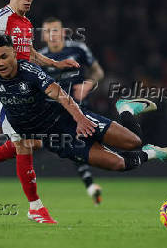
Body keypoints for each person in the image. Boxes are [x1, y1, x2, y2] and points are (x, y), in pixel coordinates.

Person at [0, 35, 167, 224]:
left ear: (15, 54)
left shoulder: (30, 72)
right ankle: (154, 153)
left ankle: (125, 109)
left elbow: (60, 94)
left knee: (133, 142)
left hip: (71, 119)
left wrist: (80, 120)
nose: (0, 63)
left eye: (4, 56)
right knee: (119, 164)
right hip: (58, 140)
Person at [0, 0, 78, 223]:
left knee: (32, 143)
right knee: (24, 143)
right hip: (2, 89)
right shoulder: (0, 18)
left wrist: (56, 64)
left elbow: (31, 54)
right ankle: (35, 207)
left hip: (26, 89)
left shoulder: (26, 23)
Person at [38, 17, 106, 204]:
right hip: (55, 112)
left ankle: (90, 183)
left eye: (56, 30)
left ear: (63, 33)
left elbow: (98, 71)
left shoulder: (78, 49)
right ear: (43, 35)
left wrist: (89, 84)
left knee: (85, 144)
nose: (52, 35)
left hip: (81, 107)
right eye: (48, 31)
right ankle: (90, 184)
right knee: (72, 144)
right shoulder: (40, 59)